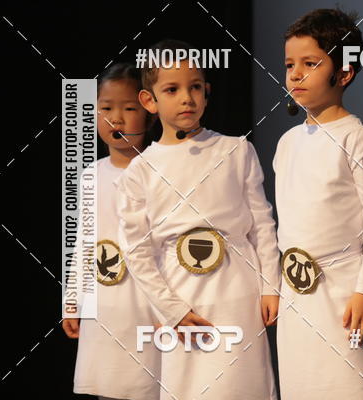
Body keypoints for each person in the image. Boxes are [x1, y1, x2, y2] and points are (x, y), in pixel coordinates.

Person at [116, 39, 279, 400]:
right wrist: (172, 309)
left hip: (238, 295)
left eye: (194, 87)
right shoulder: (141, 170)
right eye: (171, 90)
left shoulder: (236, 150)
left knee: (241, 387)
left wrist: (271, 286)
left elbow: (262, 225)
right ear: (149, 100)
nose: (186, 98)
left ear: (206, 92)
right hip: (182, 298)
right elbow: (136, 251)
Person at [274, 9, 363, 400]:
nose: (296, 74)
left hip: (343, 294)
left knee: (348, 386)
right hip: (296, 296)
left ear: (344, 73)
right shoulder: (287, 143)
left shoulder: (360, 141)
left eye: (310, 64)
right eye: (290, 64)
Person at [62, 62, 161, 400]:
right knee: (109, 385)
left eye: (129, 109)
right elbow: (83, 242)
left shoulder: (159, 169)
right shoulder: (91, 174)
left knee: (149, 384)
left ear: (148, 112)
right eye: (106, 108)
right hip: (104, 304)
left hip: (147, 304)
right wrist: (72, 299)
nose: (116, 119)